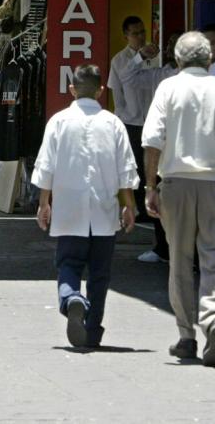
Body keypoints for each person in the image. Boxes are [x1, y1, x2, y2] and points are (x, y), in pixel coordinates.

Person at [141, 31, 215, 367]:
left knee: (179, 261)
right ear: (209, 60)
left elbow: (152, 141)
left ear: (177, 61)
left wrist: (150, 186)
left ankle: (187, 336)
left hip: (176, 184)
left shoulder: (168, 88)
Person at [32, 65, 138, 349]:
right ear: (101, 91)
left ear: (72, 89)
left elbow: (46, 167)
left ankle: (71, 298)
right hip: (104, 213)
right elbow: (125, 171)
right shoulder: (113, 123)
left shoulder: (59, 121)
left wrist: (44, 203)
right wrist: (129, 206)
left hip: (69, 210)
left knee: (68, 263)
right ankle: (92, 330)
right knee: (100, 274)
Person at [107, 15, 162, 257]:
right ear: (126, 36)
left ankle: (147, 208)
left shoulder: (153, 58)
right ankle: (136, 206)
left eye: (143, 32)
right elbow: (122, 84)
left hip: (150, 118)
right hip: (130, 120)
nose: (141, 37)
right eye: (135, 33)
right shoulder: (121, 60)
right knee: (134, 168)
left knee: (150, 165)